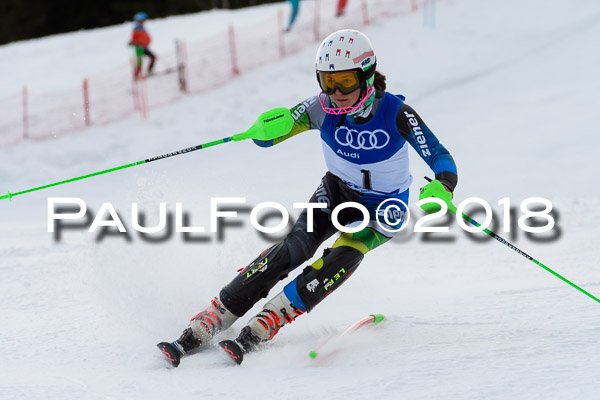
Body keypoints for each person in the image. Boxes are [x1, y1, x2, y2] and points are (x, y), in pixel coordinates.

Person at [157, 29, 458, 366]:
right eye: (328, 81)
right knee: (295, 247)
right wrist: (264, 130)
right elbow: (272, 136)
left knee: (342, 257)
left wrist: (443, 186)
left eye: (345, 80)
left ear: (367, 76)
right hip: (337, 191)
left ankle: (272, 318)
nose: (337, 92)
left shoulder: (396, 113)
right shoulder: (320, 107)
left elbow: (438, 154)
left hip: (384, 206)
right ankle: (216, 314)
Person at [129, 12, 156, 79]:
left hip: (144, 47)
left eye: (143, 21)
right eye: (142, 21)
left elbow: (146, 38)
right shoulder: (136, 29)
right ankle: (137, 75)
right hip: (139, 48)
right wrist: (137, 43)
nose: (143, 22)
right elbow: (132, 40)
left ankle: (149, 72)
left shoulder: (142, 28)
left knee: (152, 57)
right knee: (139, 62)